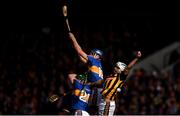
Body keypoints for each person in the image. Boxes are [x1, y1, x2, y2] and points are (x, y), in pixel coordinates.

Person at [88, 51, 142, 115]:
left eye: (117, 67)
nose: (115, 68)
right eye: (115, 66)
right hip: (102, 101)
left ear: (121, 70)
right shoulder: (110, 75)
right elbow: (101, 81)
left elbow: (128, 68)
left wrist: (136, 58)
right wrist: (91, 84)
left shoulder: (120, 77)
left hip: (108, 103)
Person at [68, 31, 104, 113]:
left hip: (96, 89)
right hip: (96, 88)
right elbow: (81, 57)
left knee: (93, 110)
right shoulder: (97, 64)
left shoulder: (94, 60)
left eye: (92, 53)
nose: (90, 55)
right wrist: (77, 49)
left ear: (97, 56)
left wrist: (73, 38)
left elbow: (80, 52)